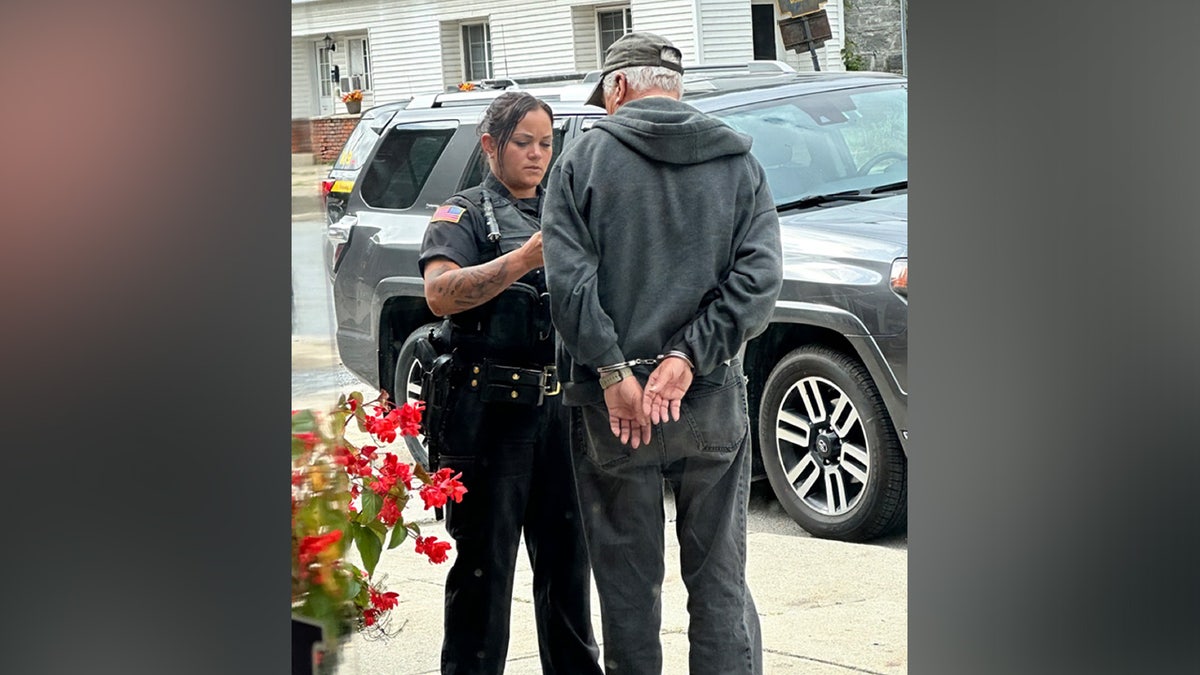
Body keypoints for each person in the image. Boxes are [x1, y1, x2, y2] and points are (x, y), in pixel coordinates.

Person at [541, 32, 784, 674]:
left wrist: (617, 372)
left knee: (627, 592)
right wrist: (687, 360)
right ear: (675, 87)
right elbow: (757, 282)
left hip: (611, 408)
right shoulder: (739, 163)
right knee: (719, 584)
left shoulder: (581, 161)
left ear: (618, 86)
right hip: (707, 399)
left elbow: (568, 285)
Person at [417, 91, 603, 675]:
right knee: (484, 574)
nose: (538, 154)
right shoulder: (464, 213)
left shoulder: (564, 210)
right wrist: (521, 260)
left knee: (569, 571)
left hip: (561, 415)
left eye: (547, 143)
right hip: (488, 417)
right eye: (524, 142)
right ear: (491, 144)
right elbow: (439, 293)